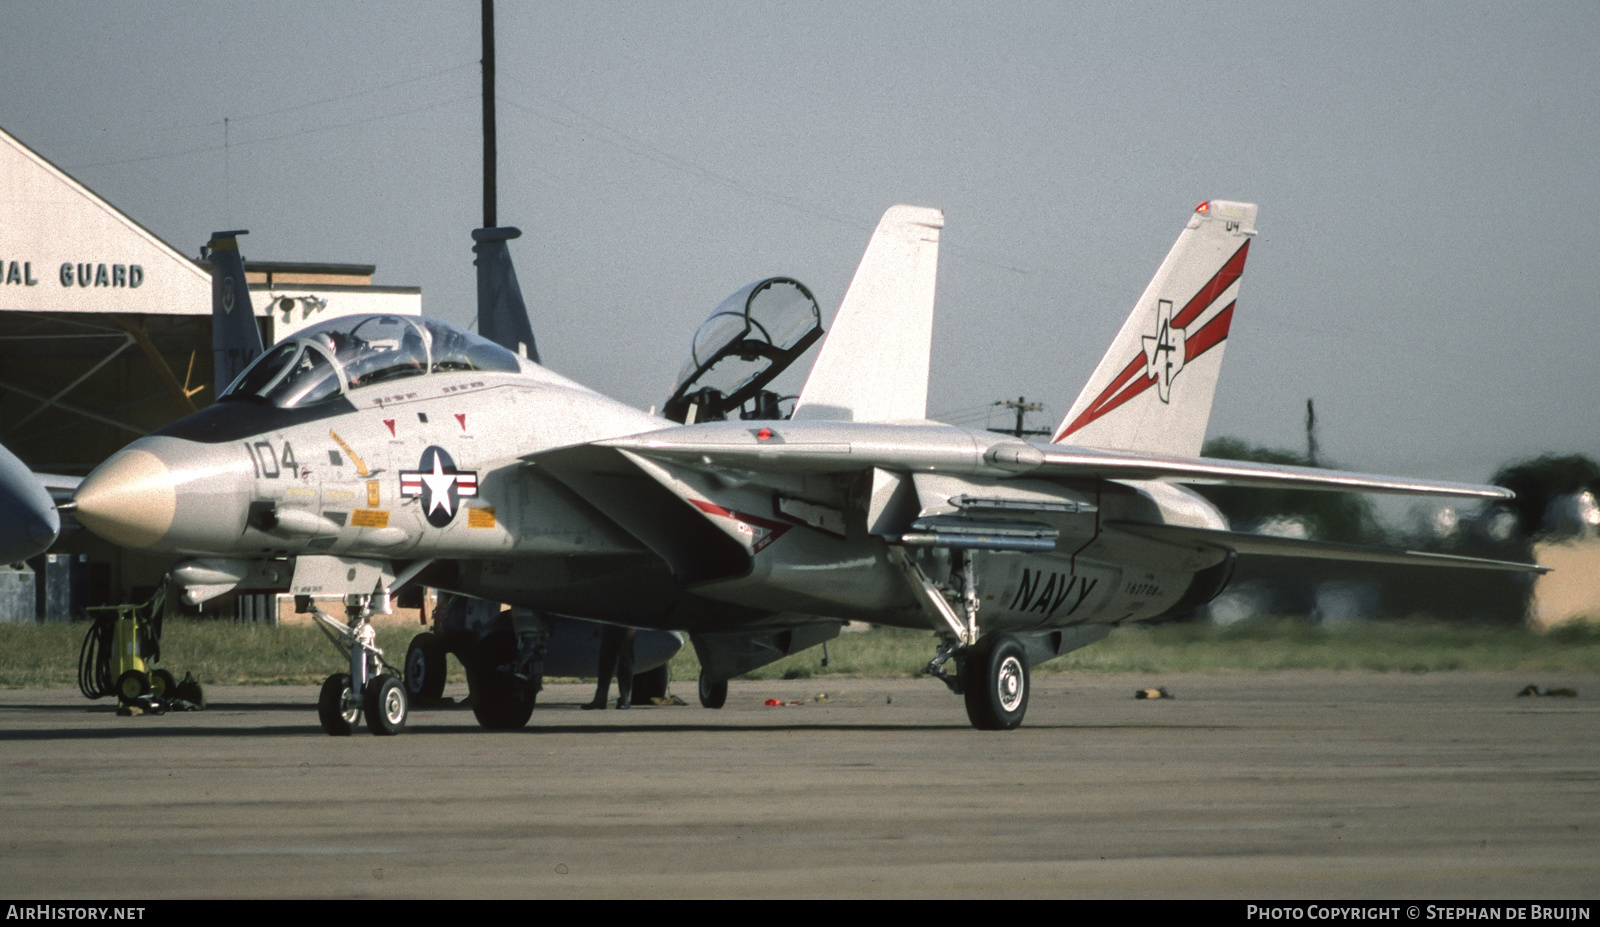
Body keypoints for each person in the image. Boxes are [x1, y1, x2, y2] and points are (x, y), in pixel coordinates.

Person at [582, 624, 635, 710]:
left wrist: (632, 626)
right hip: (610, 625)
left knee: (625, 663)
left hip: (624, 624)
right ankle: (600, 699)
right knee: (605, 662)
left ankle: (625, 699)